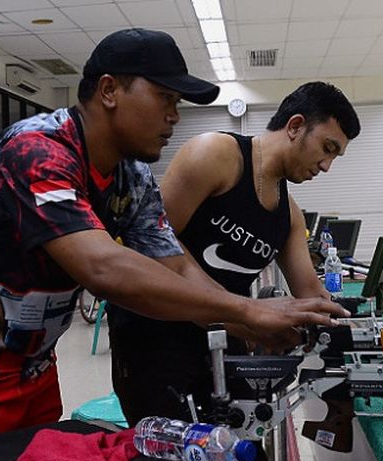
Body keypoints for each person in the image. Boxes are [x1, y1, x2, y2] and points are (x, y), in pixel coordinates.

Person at [0, 29, 347, 461]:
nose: (174, 115)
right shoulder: (36, 149)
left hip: (30, 371)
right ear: (109, 91)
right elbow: (101, 266)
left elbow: (176, 265)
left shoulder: (132, 177)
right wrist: (247, 312)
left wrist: (242, 320)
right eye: (165, 98)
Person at [108, 82, 361, 428]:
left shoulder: (289, 216)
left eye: (335, 155)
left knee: (237, 445)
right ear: (296, 126)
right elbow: (153, 245)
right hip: (155, 339)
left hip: (220, 344)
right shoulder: (217, 156)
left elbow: (313, 296)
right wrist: (248, 316)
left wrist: (363, 328)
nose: (327, 165)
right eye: (327, 147)